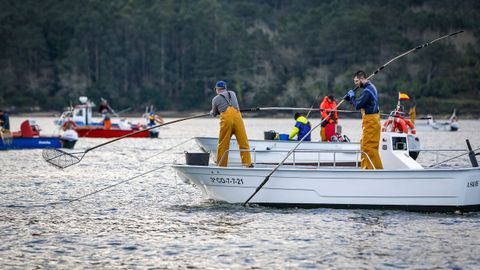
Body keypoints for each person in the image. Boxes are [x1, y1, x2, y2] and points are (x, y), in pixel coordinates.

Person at [344, 70, 383, 170]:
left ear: (362, 79)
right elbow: (361, 103)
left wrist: (352, 97)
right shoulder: (371, 87)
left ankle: (373, 170)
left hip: (371, 123)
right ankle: (369, 168)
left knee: (367, 148)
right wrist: (350, 99)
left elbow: (358, 105)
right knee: (367, 146)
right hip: (373, 122)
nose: (356, 84)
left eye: (357, 81)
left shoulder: (367, 92)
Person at [210, 80, 252, 167]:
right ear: (225, 88)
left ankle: (221, 165)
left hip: (227, 122)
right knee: (243, 142)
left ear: (217, 90)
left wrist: (211, 112)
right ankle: (247, 164)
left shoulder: (215, 99)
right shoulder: (233, 93)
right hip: (238, 120)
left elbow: (214, 114)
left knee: (223, 144)